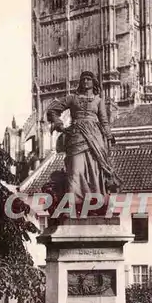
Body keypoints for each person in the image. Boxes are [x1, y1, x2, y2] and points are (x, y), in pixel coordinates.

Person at [46, 71, 120, 207]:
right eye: (83, 79)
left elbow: (104, 121)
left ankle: (94, 203)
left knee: (94, 170)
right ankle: (75, 202)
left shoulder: (98, 100)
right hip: (76, 137)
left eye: (88, 79)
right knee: (75, 170)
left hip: (95, 139)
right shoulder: (72, 98)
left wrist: (109, 136)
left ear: (93, 82)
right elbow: (52, 110)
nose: (85, 82)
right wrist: (60, 125)